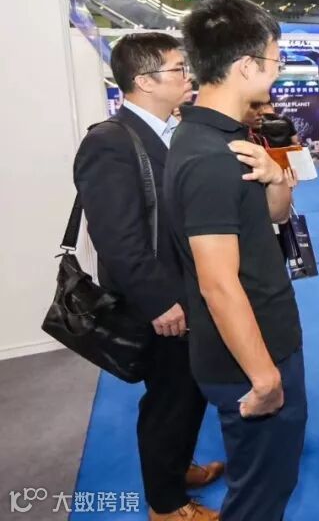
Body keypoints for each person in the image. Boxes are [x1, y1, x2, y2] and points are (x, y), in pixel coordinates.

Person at [165, 0, 306, 520]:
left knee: (271, 485)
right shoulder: (207, 156)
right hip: (250, 359)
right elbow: (218, 283)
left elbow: (274, 215)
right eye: (274, 60)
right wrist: (264, 378)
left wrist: (275, 177)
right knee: (258, 498)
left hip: (265, 340)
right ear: (247, 65)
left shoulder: (226, 138)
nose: (277, 71)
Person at [74, 33, 221, 521]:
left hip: (188, 292)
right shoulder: (110, 142)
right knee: (170, 399)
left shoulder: (169, 131)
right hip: (160, 302)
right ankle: (167, 504)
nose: (188, 76)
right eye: (178, 68)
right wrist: (159, 301)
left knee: (189, 391)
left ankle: (176, 468)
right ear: (144, 80)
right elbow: (117, 238)